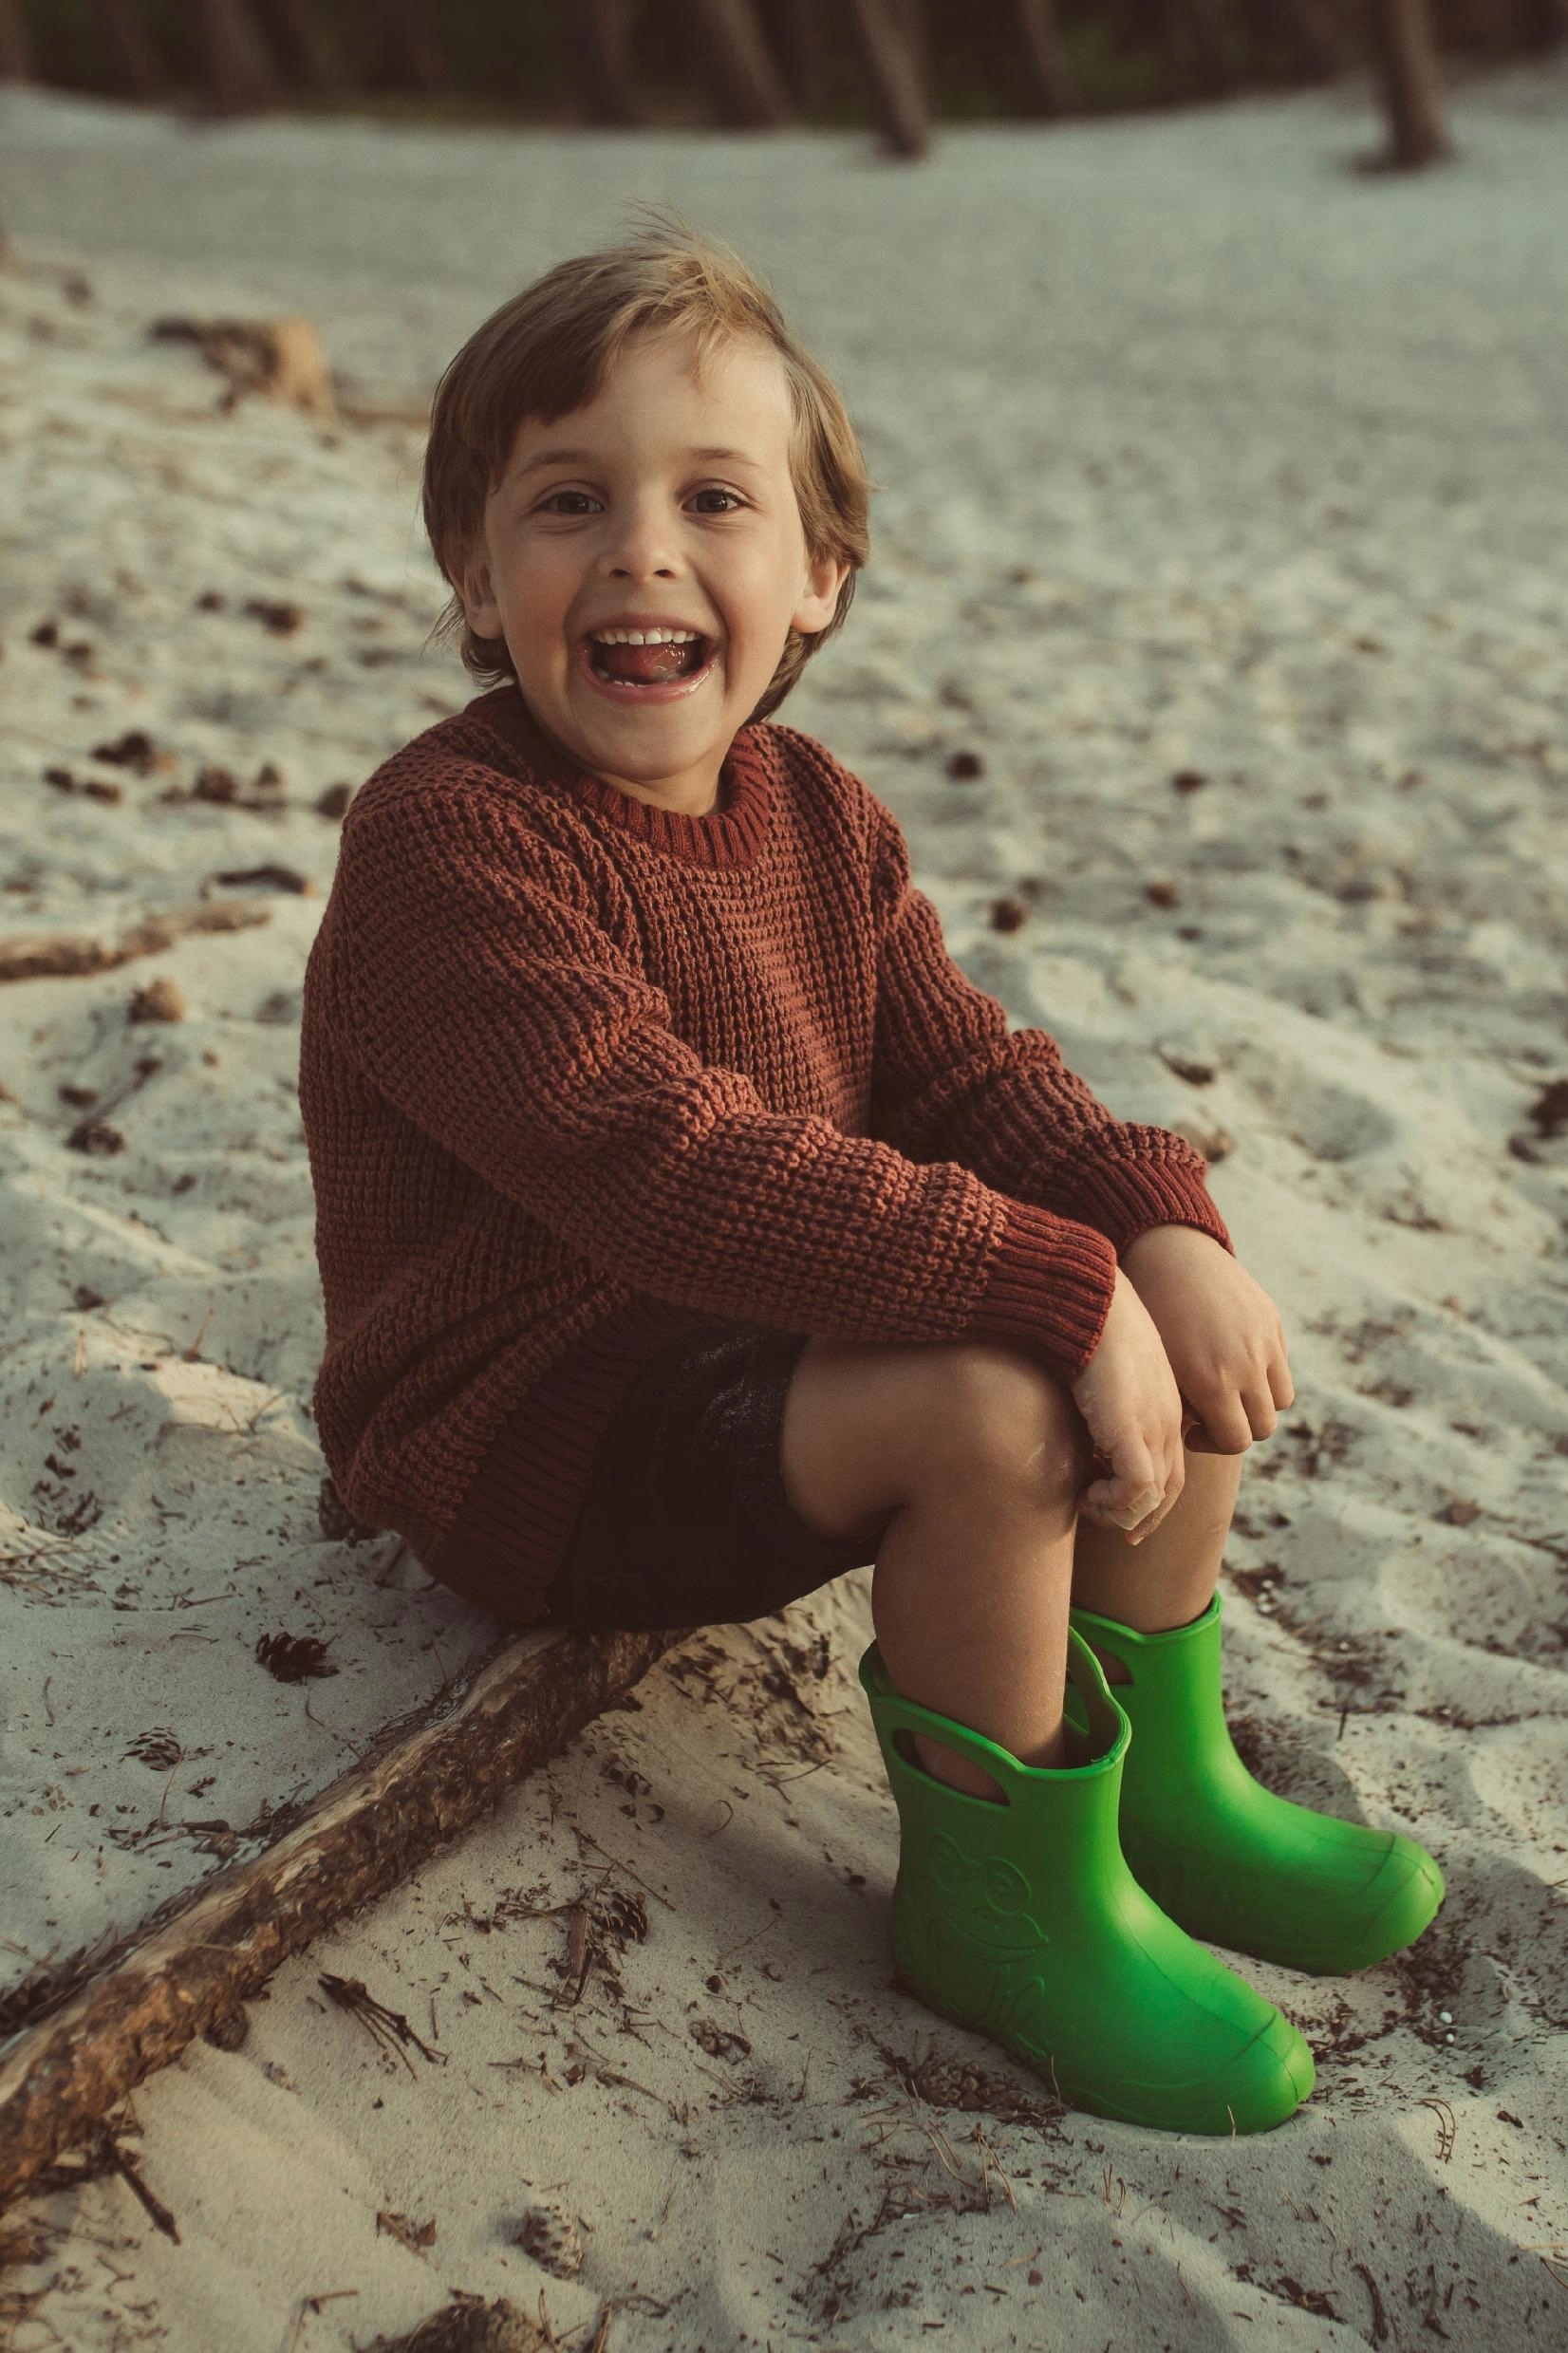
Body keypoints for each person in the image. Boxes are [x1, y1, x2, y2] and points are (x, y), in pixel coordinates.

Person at [298, 207, 1443, 2138]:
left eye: (714, 499)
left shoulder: (814, 814)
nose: (642, 549)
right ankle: (1008, 1903)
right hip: (522, 1423)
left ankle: (1159, 1782)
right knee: (998, 1396)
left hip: (730, 1341)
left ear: (818, 574)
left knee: (1156, 1290)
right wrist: (1051, 1286)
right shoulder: (449, 845)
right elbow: (657, 1165)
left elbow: (967, 1074)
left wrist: (1151, 1222)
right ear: (475, 576)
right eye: (569, 502)